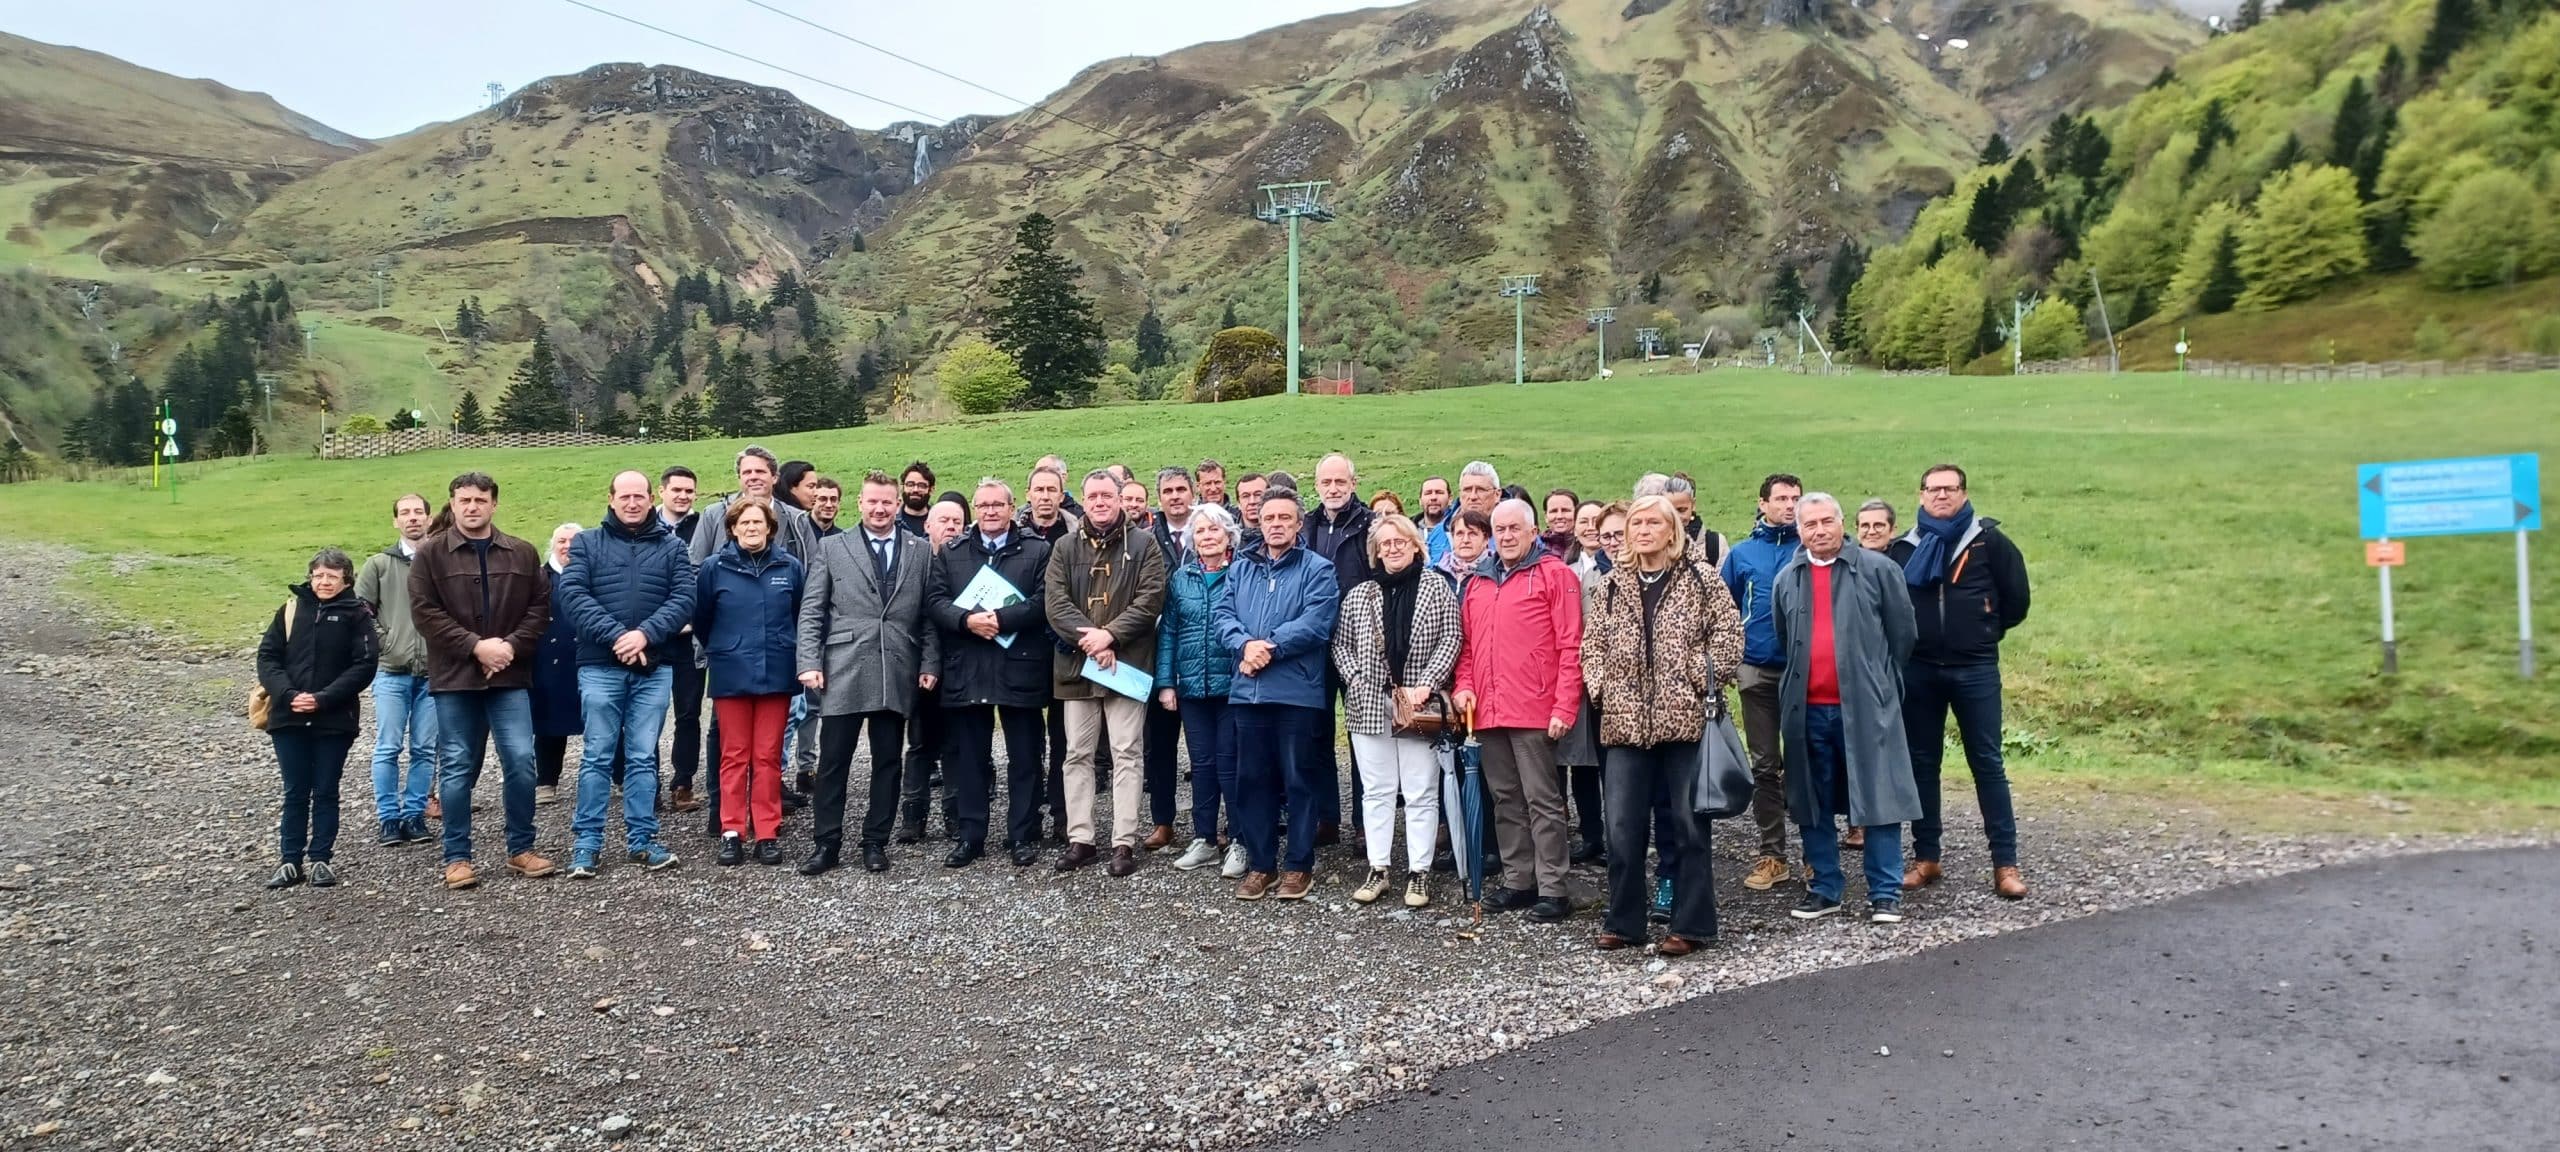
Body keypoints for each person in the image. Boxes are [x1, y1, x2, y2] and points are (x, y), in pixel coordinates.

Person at [1580, 495, 1744, 954]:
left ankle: (1691, 925)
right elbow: (1590, 648)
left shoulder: (1700, 579)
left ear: (1673, 530)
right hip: (1625, 725)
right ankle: (1625, 921)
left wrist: (1696, 674)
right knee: (1622, 828)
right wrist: (1603, 687)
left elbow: (1730, 639)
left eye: (1654, 522)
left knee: (1690, 827)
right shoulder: (1611, 586)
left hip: (1687, 723)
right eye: (1637, 523)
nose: (1643, 530)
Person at [1888, 464, 2032, 901]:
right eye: (1934, 489)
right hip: (1921, 669)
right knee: (1922, 764)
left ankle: (2004, 863)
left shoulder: (1991, 543)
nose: (1942, 496)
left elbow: (2017, 602)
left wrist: (1984, 631)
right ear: (1921, 495)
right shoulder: (1905, 549)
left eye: (1950, 489)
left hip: (1976, 669)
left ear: (1964, 493)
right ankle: (1926, 857)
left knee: (1987, 764)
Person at [1775, 493, 1920, 923]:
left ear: (1842, 523)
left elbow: (1903, 636)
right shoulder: (1788, 577)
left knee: (1879, 795)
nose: (1819, 531)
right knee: (1811, 799)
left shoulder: (1879, 570)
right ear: (1798, 530)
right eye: (1809, 524)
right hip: (1807, 711)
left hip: (1866, 707)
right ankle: (1825, 888)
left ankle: (1885, 892)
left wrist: (1877, 684)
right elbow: (1786, 639)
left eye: (1826, 521)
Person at [410, 472, 556, 890]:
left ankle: (521, 848)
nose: (471, 507)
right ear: (452, 504)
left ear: (494, 504)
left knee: (521, 763)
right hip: (455, 677)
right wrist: (477, 647)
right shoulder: (430, 556)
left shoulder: (523, 554)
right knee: (456, 766)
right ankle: (457, 857)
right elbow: (426, 614)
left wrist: (507, 647)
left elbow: (539, 609)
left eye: (479, 500)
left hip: (510, 676)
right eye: (463, 500)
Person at [797, 472, 941, 876]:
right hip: (842, 665)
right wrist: (809, 661)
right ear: (859, 503)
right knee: (833, 762)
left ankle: (875, 841)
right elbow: (812, 610)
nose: (880, 509)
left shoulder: (919, 550)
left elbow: (929, 616)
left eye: (887, 503)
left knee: (887, 761)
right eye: (872, 502)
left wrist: (929, 664)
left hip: (896, 666)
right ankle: (826, 843)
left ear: (898, 505)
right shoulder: (832, 546)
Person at [556, 470, 696, 879]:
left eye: (639, 496)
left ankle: (643, 840)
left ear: (652, 498)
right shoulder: (586, 543)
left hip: (653, 668)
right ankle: (587, 844)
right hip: (601, 666)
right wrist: (619, 636)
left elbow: (685, 597)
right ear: (611, 498)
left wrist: (645, 635)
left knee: (641, 757)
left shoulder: (672, 548)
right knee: (597, 756)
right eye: (625, 496)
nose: (632, 503)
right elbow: (574, 596)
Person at [1451, 499, 1585, 923]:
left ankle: (1553, 887)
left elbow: (1570, 644)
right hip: (1488, 710)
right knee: (1505, 798)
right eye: (1500, 529)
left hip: (1534, 709)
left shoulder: (1554, 575)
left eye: (1514, 529)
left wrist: (1565, 703)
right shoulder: (1478, 583)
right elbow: (1468, 648)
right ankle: (1518, 880)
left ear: (1533, 532)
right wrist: (1465, 686)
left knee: (1542, 800)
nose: (1507, 536)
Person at [1043, 469, 1169, 877]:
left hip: (1126, 665)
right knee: (1076, 754)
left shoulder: (1145, 545)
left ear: (1119, 498)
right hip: (1078, 667)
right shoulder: (1063, 547)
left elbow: (1150, 599)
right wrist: (1091, 642)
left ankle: (1123, 842)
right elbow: (1056, 602)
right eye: (1092, 496)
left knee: (1126, 753)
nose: (1099, 502)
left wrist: (1110, 636)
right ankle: (1081, 838)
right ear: (1082, 500)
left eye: (1107, 495)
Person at [1217, 488, 1340, 901]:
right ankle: (1261, 864)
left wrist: (1264, 647)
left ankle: (1299, 865)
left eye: (1285, 518)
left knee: (1298, 779)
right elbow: (1223, 616)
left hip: (1296, 694)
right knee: (1252, 780)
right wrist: (1242, 646)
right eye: (1269, 518)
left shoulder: (1318, 569)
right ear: (1260, 522)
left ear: (1298, 523)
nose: (1275, 525)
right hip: (1248, 692)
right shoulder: (1241, 568)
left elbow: (1317, 622)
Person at [1331, 513, 1459, 908]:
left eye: (1399, 541)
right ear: (1376, 551)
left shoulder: (1437, 588)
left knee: (1421, 790)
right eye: (1385, 544)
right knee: (1377, 791)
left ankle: (1419, 872)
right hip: (1370, 703)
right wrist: (1356, 679)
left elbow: (1452, 636)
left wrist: (1427, 684)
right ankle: (1379, 868)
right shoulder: (1360, 595)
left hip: (1418, 703)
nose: (1392, 549)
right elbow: (1340, 645)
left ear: (1415, 545)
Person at [928, 479, 1054, 868]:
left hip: (1021, 665)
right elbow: (934, 600)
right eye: (983, 505)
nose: (991, 511)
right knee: (969, 759)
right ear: (974, 510)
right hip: (969, 666)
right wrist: (967, 621)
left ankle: (1022, 833)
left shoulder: (1038, 550)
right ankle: (971, 836)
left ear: (1013, 507)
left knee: (1025, 757)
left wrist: (999, 619)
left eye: (998, 504)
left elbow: (1043, 600)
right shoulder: (952, 553)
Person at [255, 548, 380, 889]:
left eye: (332, 576)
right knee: (295, 790)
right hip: (288, 716)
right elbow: (267, 658)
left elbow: (365, 665)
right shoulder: (291, 609)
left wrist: (323, 699)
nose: (324, 582)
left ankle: (321, 858)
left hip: (334, 718)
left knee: (326, 789)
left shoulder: (357, 615)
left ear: (346, 580)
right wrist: (290, 695)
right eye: (319, 575)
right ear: (310, 577)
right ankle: (289, 860)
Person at [693, 497, 803, 866]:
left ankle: (767, 831)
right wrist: (728, 647)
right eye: (744, 523)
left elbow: (800, 614)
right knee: (734, 755)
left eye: (758, 522)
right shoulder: (713, 568)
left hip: (777, 671)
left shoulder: (790, 568)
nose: (752, 528)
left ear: (770, 528)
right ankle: (731, 830)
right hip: (731, 670)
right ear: (733, 528)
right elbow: (703, 618)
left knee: (768, 756)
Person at [1720, 472, 1803, 893]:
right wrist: (1731, 663)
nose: (1789, 506)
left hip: (1804, 672)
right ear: (1763, 503)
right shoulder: (1742, 554)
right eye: (1782, 498)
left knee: (1808, 761)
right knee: (1765, 765)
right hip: (1756, 670)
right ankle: (1773, 853)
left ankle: (1814, 853)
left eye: (1796, 498)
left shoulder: (1811, 548)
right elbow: (1725, 611)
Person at [1155, 503, 1243, 875]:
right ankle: (1204, 838)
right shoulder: (1181, 579)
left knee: (1231, 764)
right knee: (1202, 764)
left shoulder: (1242, 574)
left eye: (1214, 530)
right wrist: (1165, 682)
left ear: (1229, 537)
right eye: (1201, 531)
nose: (1207, 537)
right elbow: (1169, 632)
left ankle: (1240, 840)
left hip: (1232, 686)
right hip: (1191, 687)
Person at [356, 494, 436, 847]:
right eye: (405, 513)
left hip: (434, 672)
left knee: (424, 748)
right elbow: (360, 611)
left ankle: (414, 814)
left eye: (418, 512)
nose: (412, 518)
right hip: (391, 671)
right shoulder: (378, 565)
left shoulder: (440, 562)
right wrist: (384, 642)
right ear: (395, 521)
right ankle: (388, 817)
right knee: (388, 747)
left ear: (429, 519)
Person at [1304, 453, 1373, 842]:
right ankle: (1325, 816)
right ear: (1317, 486)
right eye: (1326, 483)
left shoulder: (1369, 525)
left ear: (1353, 482)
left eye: (1340, 482)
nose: (1333, 489)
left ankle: (1365, 822)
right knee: (1316, 733)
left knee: (1362, 733)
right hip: (1315, 644)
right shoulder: (1307, 526)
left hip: (1359, 644)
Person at [896, 493, 971, 843]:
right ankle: (913, 816)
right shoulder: (913, 561)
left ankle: (955, 815)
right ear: (928, 526)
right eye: (944, 521)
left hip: (962, 666)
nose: (951, 527)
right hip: (921, 665)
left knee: (957, 743)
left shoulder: (969, 559)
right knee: (921, 742)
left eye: (957, 521)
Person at [658, 466, 708, 814]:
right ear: (661, 491)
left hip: (690, 637)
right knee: (648, 714)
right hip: (653, 638)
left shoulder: (703, 527)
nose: (683, 496)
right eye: (676, 489)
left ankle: (683, 782)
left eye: (689, 491)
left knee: (688, 713)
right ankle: (644, 785)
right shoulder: (644, 528)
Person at [529, 524, 585, 805]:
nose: (567, 546)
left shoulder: (593, 575)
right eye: (561, 540)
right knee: (548, 724)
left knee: (605, 722)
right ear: (552, 544)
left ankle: (620, 777)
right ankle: (546, 782)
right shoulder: (538, 578)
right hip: (548, 661)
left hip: (587, 659)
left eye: (574, 541)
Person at [692, 446, 820, 566]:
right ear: (739, 478)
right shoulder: (713, 515)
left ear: (774, 477)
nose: (753, 477)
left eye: (760, 471)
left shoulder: (796, 519)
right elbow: (695, 565)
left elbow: (812, 569)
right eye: (747, 472)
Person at [1666, 474, 1727, 564]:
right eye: (1670, 511)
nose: (1676, 517)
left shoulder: (1715, 544)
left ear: (1693, 505)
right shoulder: (1653, 543)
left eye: (1682, 510)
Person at [1018, 464, 1077, 544]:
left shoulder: (1078, 535)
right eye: (1039, 490)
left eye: (1051, 490)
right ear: (1028, 495)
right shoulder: (1011, 534)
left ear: (1062, 496)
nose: (1045, 497)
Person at [1416, 476, 1454, 565]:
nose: (1433, 497)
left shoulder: (1460, 530)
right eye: (1428, 493)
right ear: (1420, 500)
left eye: (1439, 492)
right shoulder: (1409, 532)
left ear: (1450, 498)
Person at [898, 461, 938, 537]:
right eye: (910, 485)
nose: (915, 490)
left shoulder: (938, 522)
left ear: (931, 489)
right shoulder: (891, 522)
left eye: (921, 485)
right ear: (902, 487)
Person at [1569, 500, 1607, 577]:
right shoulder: (1567, 572)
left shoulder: (1621, 567)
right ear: (1574, 530)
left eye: (1596, 521)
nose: (1591, 527)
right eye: (1583, 522)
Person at [1542, 489, 1582, 563]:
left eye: (1565, 510)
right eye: (1553, 511)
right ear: (1546, 517)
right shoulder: (1535, 548)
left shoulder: (1586, 545)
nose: (1559, 516)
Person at [1234, 471, 1270, 553]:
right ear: (1238, 503)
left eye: (1258, 495)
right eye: (1245, 496)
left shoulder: (1282, 533)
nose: (1252, 501)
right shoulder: (1229, 538)